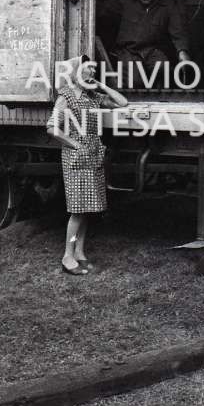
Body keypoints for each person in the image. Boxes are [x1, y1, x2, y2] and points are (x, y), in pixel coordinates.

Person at [46, 55, 128, 276]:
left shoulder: (94, 97)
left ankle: (80, 252)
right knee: (78, 211)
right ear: (74, 72)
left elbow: (123, 102)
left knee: (88, 209)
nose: (92, 73)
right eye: (87, 70)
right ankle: (67, 255)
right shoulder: (66, 97)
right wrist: (75, 145)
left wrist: (100, 85)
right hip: (76, 158)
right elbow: (52, 128)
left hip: (93, 155)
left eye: (93, 70)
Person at [99, 0, 191, 86]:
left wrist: (182, 51)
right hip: (128, 50)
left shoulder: (168, 6)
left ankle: (159, 101)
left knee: (165, 70)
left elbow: (178, 31)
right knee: (136, 82)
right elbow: (100, 10)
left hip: (152, 50)